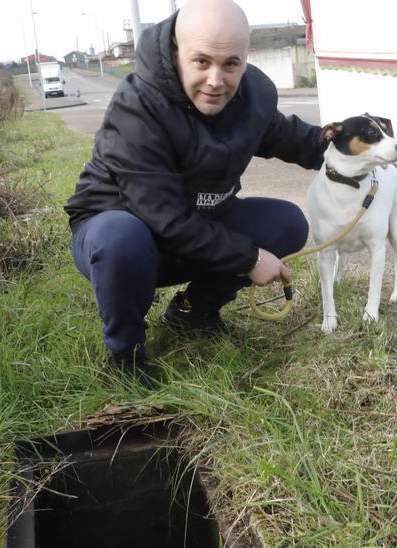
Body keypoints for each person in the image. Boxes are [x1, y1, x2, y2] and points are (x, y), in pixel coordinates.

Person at [64, 0, 325, 378]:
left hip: (198, 225)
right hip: (130, 236)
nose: (216, 81)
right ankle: (126, 358)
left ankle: (191, 312)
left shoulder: (251, 98)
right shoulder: (137, 107)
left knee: (287, 223)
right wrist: (249, 258)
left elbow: (296, 140)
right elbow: (165, 219)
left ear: (245, 58)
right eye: (202, 62)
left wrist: (359, 151)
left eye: (230, 64)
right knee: (120, 238)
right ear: (175, 51)